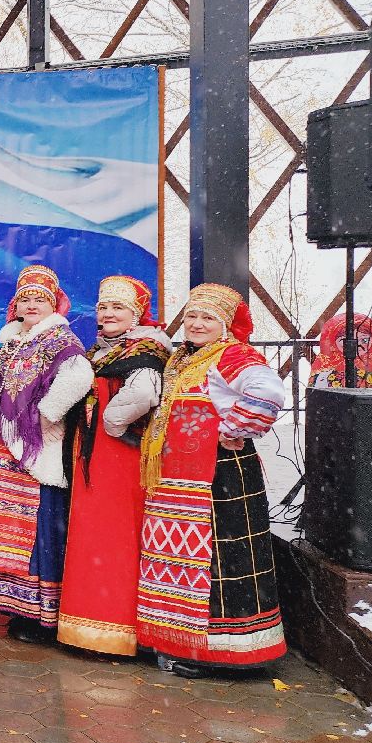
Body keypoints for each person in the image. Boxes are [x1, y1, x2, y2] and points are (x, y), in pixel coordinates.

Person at [139, 283, 289, 678]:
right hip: (181, 476)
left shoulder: (232, 354)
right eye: (192, 316)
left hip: (218, 474)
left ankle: (225, 650)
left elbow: (268, 391)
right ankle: (184, 643)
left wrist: (234, 427)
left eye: (208, 318)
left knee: (220, 559)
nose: (197, 324)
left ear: (225, 326)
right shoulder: (184, 359)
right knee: (186, 557)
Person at [0, 265, 93, 644]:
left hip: (38, 449)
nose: (31, 305)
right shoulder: (12, 342)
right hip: (7, 449)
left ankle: (43, 616)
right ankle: (16, 608)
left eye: (39, 299)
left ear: (54, 303)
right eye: (24, 298)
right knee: (10, 532)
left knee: (40, 531)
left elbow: (78, 377)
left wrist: (43, 416)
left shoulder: (60, 341)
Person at [57, 276, 170, 657]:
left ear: (135, 314)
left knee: (114, 533)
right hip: (94, 454)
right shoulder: (104, 350)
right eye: (103, 307)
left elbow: (144, 393)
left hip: (119, 454)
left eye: (117, 308)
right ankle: (89, 625)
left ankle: (116, 625)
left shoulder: (145, 349)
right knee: (92, 531)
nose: (107, 314)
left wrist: (111, 422)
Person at [309, 312, 372, 388]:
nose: (357, 345)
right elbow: (316, 396)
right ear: (332, 343)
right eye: (346, 341)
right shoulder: (325, 370)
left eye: (364, 340)